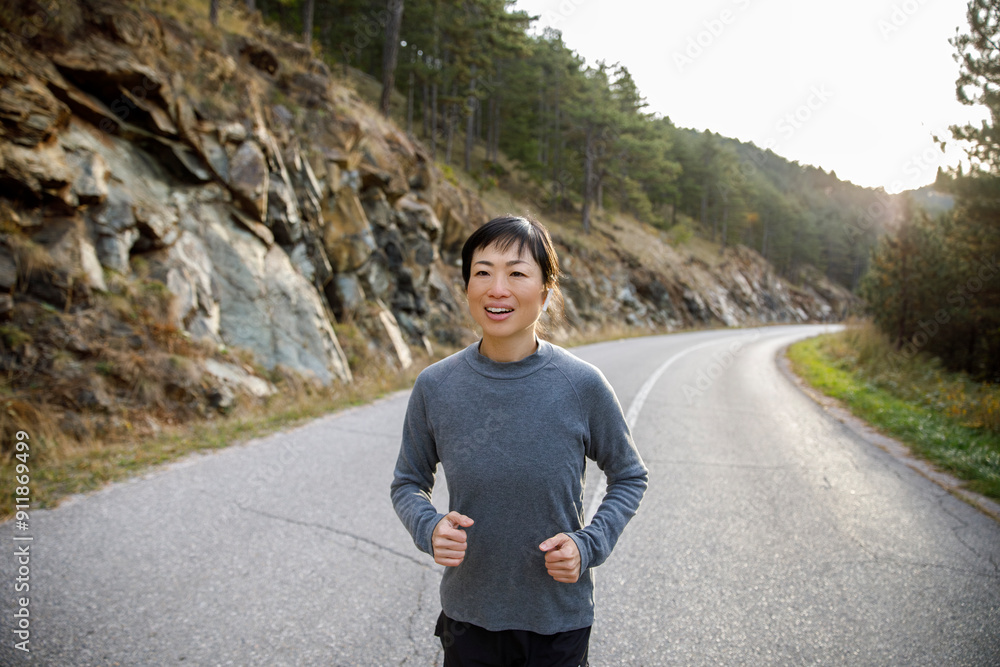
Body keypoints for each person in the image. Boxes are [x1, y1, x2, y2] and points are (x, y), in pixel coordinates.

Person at [390, 215, 648, 666]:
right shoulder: (436, 385)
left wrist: (589, 544)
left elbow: (629, 475)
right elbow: (408, 481)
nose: (497, 288)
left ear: (546, 291)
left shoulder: (581, 385)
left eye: (517, 272)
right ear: (467, 286)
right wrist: (427, 527)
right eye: (483, 272)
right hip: (468, 619)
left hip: (558, 621)